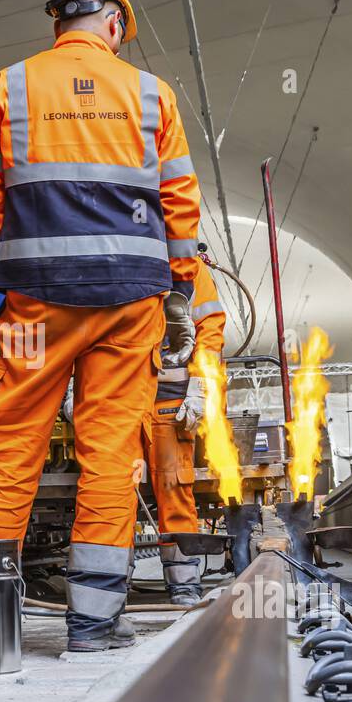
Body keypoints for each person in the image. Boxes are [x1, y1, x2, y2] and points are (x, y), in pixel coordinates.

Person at [0, 0, 202, 652]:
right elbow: (180, 202)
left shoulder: (11, 85)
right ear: (115, 23)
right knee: (112, 455)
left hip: (35, 301)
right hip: (130, 305)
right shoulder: (153, 95)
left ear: (57, 22)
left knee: (7, 450)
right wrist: (181, 290)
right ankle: (92, 624)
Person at [142, 252, 225, 605]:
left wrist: (201, 386)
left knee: (173, 485)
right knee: (112, 489)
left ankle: (184, 584)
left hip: (171, 399)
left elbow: (209, 332)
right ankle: (107, 584)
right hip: (119, 396)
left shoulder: (191, 268)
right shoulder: (116, 252)